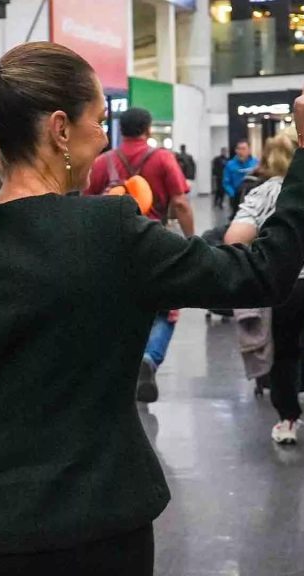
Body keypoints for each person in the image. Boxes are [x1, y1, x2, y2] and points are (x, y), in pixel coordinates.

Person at [0, 41, 304, 576]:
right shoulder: (111, 232)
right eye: (98, 121)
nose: (102, 139)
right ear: (60, 129)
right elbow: (262, 273)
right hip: (102, 526)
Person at [224, 129, 304, 464]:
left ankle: (287, 422)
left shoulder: (264, 192)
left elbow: (233, 238)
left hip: (282, 286)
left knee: (284, 355)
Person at [84, 106, 195, 402]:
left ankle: (118, 366)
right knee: (165, 309)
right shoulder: (161, 159)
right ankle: (149, 358)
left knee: (117, 304)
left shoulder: (102, 162)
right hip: (153, 242)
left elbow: (85, 204)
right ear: (146, 129)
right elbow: (181, 202)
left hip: (110, 245)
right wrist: (192, 240)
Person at [223, 139, 259, 217]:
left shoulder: (256, 163)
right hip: (236, 199)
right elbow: (226, 183)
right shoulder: (230, 165)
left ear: (249, 150)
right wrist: (233, 194)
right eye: (238, 149)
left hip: (254, 199)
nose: (240, 151)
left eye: (243, 148)